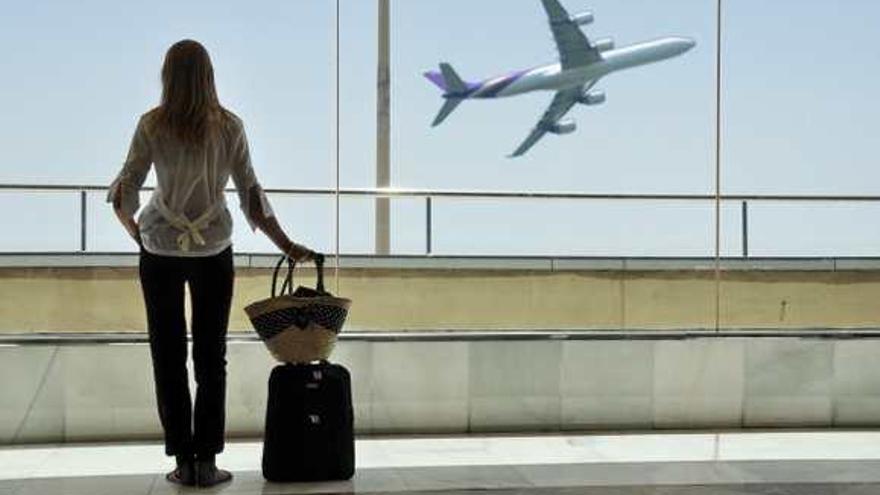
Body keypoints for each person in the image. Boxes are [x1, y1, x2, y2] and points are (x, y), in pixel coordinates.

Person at [108, 39, 316, 487]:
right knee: (210, 356)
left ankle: (183, 461)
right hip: (213, 250)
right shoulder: (230, 127)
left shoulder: (151, 124)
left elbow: (126, 191)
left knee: (167, 355)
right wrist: (287, 244)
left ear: (167, 76)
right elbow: (251, 197)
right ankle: (207, 460)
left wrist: (137, 231)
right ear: (209, 75)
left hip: (160, 249)